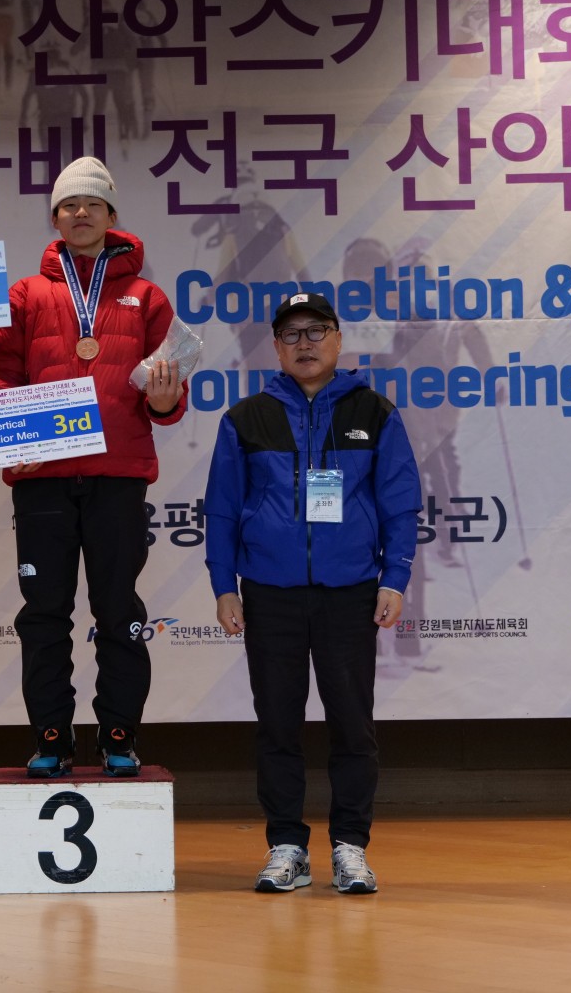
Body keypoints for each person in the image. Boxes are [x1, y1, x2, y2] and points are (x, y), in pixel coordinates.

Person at [203, 292, 421, 893]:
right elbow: (220, 510)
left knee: (352, 724)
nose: (305, 343)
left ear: (338, 339)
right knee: (277, 724)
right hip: (269, 592)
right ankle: (286, 847)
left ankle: (350, 846)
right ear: (276, 347)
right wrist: (224, 586)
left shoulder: (375, 413)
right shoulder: (246, 418)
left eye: (316, 330)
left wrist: (395, 577)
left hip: (350, 591)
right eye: (291, 334)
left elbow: (400, 502)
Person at [0, 156, 188, 778]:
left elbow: (167, 395)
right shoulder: (25, 294)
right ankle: (51, 735)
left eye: (92, 204)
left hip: (117, 476)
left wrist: (165, 399)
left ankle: (119, 734)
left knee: (119, 609)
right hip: (41, 479)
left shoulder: (146, 297)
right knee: (43, 613)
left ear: (111, 215)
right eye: (69, 205)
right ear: (55, 218)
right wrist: (7, 434)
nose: (80, 213)